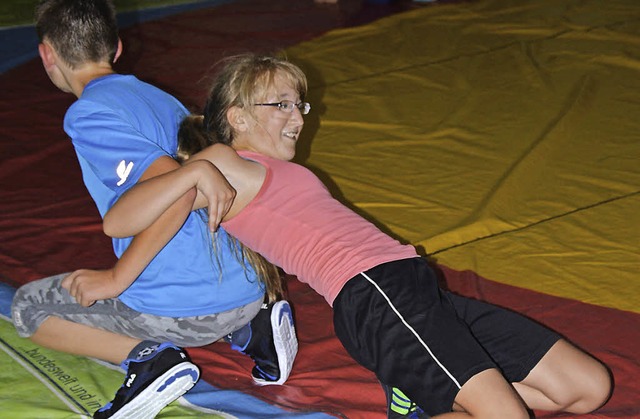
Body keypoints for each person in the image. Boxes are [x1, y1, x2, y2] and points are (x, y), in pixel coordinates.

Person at [103, 54, 612, 418]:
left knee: (588, 388)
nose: (298, 117)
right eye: (281, 104)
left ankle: (424, 399)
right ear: (237, 117)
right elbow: (120, 221)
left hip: (412, 290)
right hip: (377, 294)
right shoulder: (223, 162)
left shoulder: (249, 169)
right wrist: (190, 175)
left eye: (299, 105)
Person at [11, 3, 297, 418]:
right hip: (245, 289)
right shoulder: (158, 97)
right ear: (117, 47)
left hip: (187, 310)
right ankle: (251, 329)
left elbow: (180, 186)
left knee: (29, 308)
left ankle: (148, 361)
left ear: (47, 55)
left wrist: (115, 278)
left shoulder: (88, 112)